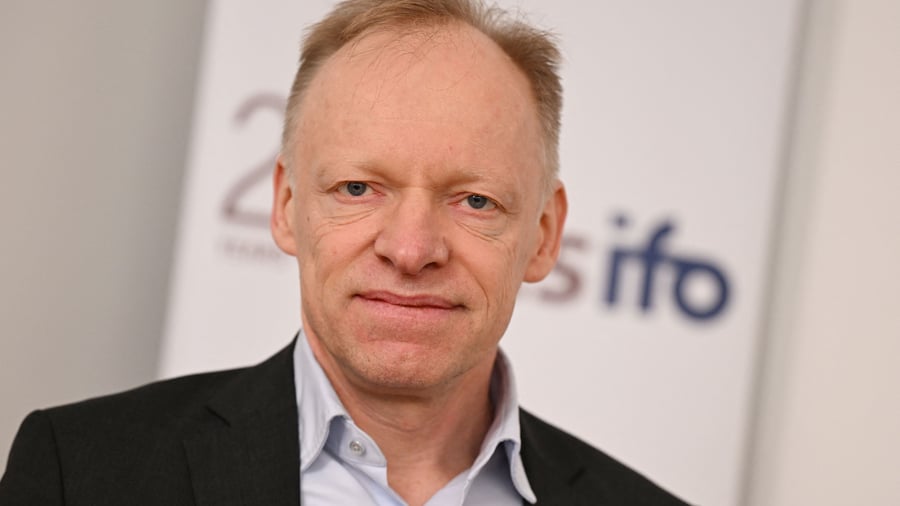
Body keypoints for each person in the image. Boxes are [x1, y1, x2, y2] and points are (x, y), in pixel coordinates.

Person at [0, 0, 688, 504]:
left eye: (474, 201)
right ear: (286, 206)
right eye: (358, 188)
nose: (411, 250)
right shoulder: (80, 474)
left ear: (544, 234)